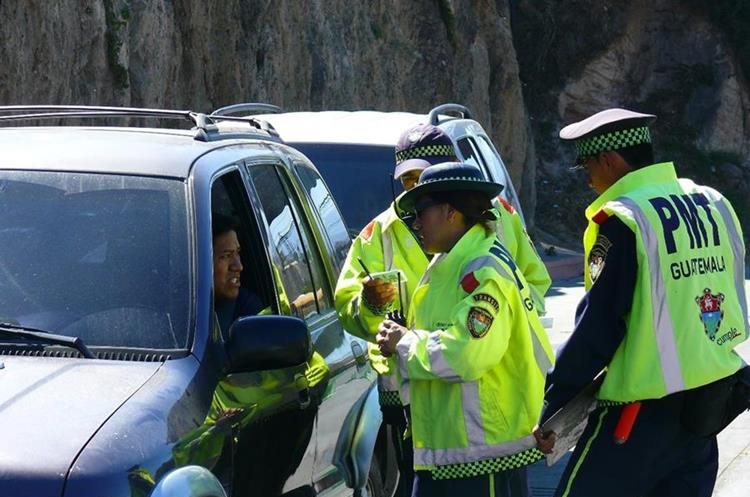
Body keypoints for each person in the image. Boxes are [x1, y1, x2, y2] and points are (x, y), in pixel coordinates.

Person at [539, 108, 749, 497]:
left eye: (586, 164)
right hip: (706, 409)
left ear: (609, 159)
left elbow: (598, 328)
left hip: (638, 416)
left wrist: (554, 400)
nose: (586, 179)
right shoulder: (713, 202)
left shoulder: (625, 218)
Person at [376, 162, 555, 497]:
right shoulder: (452, 262)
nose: (415, 223)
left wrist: (404, 343)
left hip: (484, 457)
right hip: (452, 454)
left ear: (450, 212)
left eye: (421, 211)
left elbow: (466, 354)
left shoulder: (482, 269)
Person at [212, 213, 263, 332]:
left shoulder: (249, 311)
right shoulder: (173, 312)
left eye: (237, 253)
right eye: (226, 256)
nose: (239, 266)